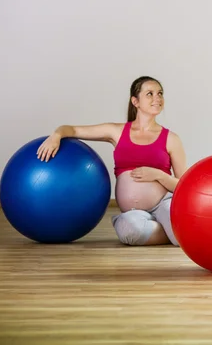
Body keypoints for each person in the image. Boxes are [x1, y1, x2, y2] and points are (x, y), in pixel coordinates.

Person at [36, 76, 186, 246]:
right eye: (150, 94)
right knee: (131, 233)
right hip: (133, 211)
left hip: (164, 203)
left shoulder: (171, 139)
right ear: (135, 101)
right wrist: (56, 135)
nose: (157, 98)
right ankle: (170, 231)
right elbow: (73, 130)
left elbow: (184, 186)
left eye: (160, 93)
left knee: (180, 233)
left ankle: (172, 230)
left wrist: (158, 175)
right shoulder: (116, 131)